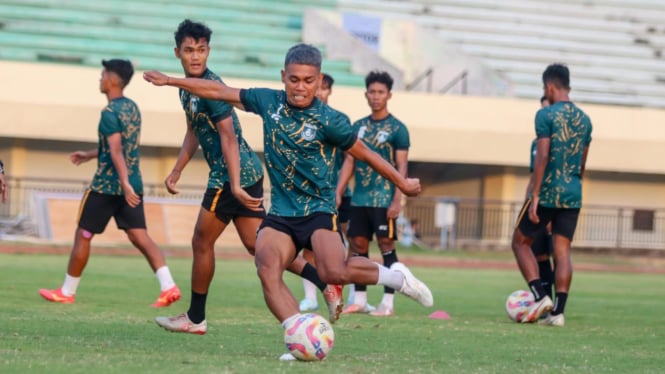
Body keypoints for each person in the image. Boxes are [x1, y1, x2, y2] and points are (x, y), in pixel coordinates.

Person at [144, 43, 433, 358]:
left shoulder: (330, 119)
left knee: (333, 272)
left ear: (319, 80)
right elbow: (218, 91)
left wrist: (401, 182)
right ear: (284, 76)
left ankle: (397, 277)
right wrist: (171, 81)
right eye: (294, 79)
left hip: (318, 211)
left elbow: (366, 154)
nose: (300, 87)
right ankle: (300, 335)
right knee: (266, 266)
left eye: (309, 81)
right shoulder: (268, 102)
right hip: (282, 214)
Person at [154, 20, 340, 334]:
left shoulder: (211, 88)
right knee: (259, 246)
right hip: (243, 173)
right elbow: (194, 130)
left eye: (201, 50)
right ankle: (325, 283)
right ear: (178, 53)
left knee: (201, 241)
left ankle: (195, 318)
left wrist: (235, 185)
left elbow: (228, 136)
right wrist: (177, 168)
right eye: (189, 50)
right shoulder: (190, 90)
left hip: (230, 175)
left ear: (209, 51)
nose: (196, 56)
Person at [39, 59, 181, 307]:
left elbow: (116, 151)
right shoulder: (132, 108)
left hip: (107, 187)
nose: (100, 78)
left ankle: (67, 291)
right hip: (133, 185)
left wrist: (122, 183)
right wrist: (91, 154)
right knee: (140, 236)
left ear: (113, 80)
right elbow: (122, 147)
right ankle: (168, 286)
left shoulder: (108, 112)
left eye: (103, 74)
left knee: (83, 234)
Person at [512, 63, 592, 327]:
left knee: (520, 242)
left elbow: (543, 155)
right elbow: (582, 162)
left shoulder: (545, 115)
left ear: (549, 86)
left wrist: (535, 195)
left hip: (548, 191)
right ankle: (558, 312)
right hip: (573, 191)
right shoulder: (585, 120)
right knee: (563, 250)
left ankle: (540, 295)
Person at [337, 71, 410, 317]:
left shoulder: (398, 128)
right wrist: (338, 191)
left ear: (389, 95)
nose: (376, 96)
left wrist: (397, 199)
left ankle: (388, 303)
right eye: (372, 92)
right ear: (366, 94)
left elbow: (402, 167)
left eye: (381, 92)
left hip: (383, 198)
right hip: (359, 198)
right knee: (357, 245)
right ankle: (359, 299)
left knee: (386, 245)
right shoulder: (357, 126)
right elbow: (349, 162)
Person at [526, 96, 555, 303]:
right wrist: (527, 201)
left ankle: (555, 304)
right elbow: (533, 173)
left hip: (554, 201)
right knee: (538, 254)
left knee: (557, 253)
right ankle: (543, 300)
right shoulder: (535, 144)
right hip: (536, 201)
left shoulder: (563, 142)